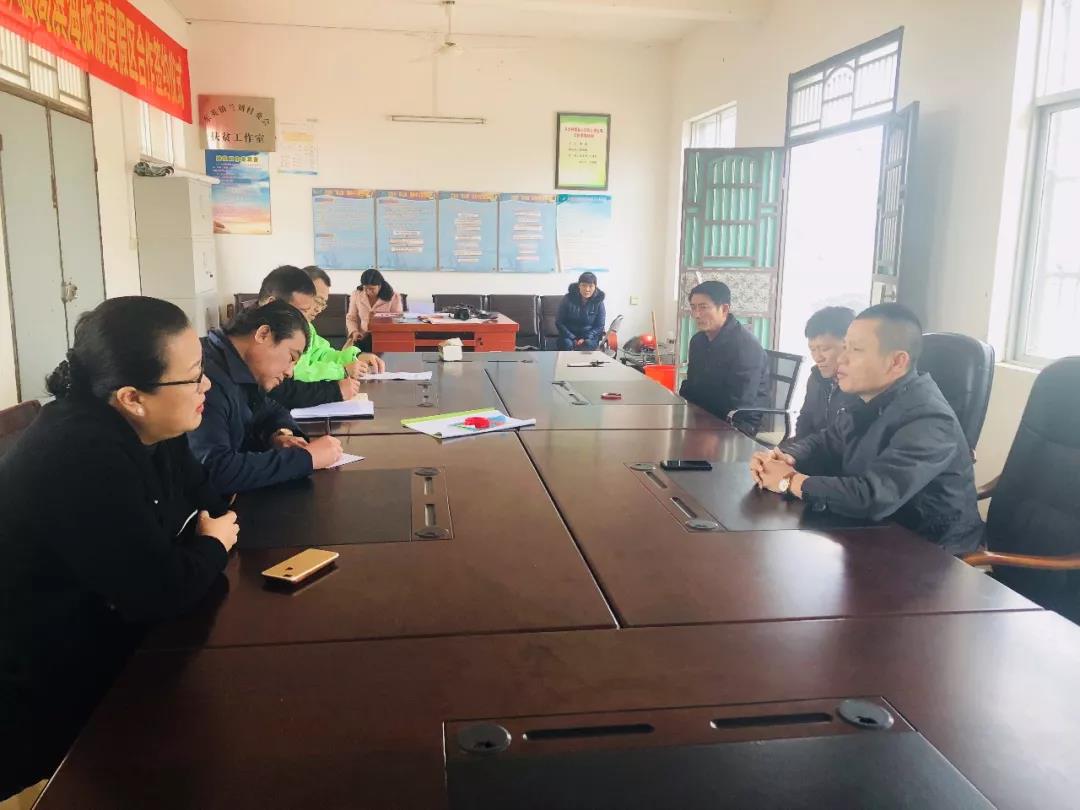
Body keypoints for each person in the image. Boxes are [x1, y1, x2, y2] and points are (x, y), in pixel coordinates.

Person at [0, 297, 239, 798]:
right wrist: (212, 546)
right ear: (132, 397)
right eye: (194, 377)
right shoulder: (82, 455)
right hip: (44, 685)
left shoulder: (157, 425)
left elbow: (210, 501)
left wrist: (202, 540)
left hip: (112, 633)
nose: (207, 386)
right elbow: (161, 590)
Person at [750, 303, 984, 554]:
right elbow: (827, 441)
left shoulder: (930, 419)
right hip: (876, 533)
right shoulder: (868, 399)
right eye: (845, 347)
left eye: (856, 350)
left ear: (897, 362)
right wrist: (786, 456)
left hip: (931, 552)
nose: (842, 358)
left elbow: (873, 496)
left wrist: (789, 480)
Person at [189, 301, 344, 495]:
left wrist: (281, 435)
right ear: (263, 334)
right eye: (291, 357)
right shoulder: (207, 379)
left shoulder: (238, 368)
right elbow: (214, 470)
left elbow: (271, 409)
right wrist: (306, 459)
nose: (290, 372)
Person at [254, 265, 383, 409]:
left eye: (322, 303)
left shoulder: (303, 327)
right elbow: (290, 381)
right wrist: (341, 373)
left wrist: (354, 357)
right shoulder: (268, 332)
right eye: (316, 300)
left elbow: (321, 353)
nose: (316, 309)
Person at [678, 280, 770, 433]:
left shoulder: (745, 345)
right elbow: (692, 384)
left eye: (703, 307)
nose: (696, 315)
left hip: (736, 423)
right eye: (693, 308)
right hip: (704, 414)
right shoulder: (698, 341)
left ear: (724, 309)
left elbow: (740, 402)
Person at [789, 306, 860, 442]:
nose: (818, 357)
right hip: (812, 448)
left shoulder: (861, 386)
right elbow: (805, 419)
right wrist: (793, 451)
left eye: (825, 349)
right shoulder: (816, 377)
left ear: (848, 345)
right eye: (812, 349)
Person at [346, 268, 403, 353]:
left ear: (380, 286)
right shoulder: (356, 294)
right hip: (362, 337)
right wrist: (354, 332)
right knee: (352, 355)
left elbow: (397, 320)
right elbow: (351, 318)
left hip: (384, 337)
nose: (368, 292)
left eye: (372, 289)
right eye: (365, 288)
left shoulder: (393, 297)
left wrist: (378, 319)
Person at [556, 272, 607, 350]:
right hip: (568, 336)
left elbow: (600, 325)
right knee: (567, 344)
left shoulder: (598, 302)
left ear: (595, 287)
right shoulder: (567, 298)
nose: (587, 289)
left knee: (588, 344)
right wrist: (572, 337)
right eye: (584, 285)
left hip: (590, 336)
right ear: (579, 286)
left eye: (590, 286)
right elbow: (559, 322)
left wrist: (586, 337)